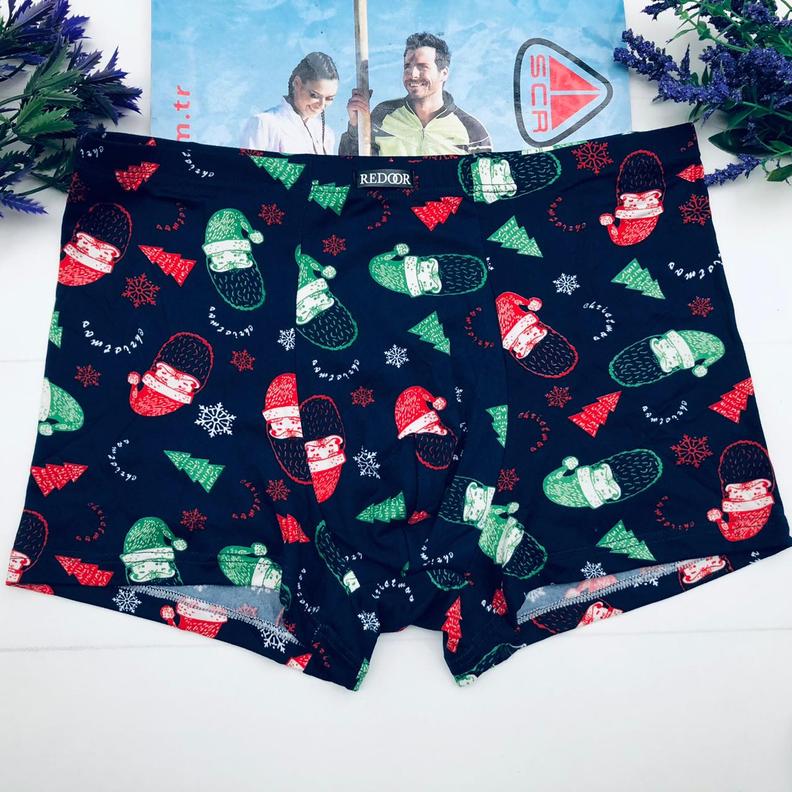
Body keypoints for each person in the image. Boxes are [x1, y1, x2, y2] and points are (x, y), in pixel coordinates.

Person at [339, 31, 491, 156]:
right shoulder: (383, 115)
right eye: (407, 66)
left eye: (422, 66)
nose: (413, 74)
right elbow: (354, 170)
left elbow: (485, 181)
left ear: (444, 73)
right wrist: (355, 126)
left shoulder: (472, 131)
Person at [240, 52, 339, 154]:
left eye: (329, 98)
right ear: (297, 83)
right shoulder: (263, 124)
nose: (321, 105)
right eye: (314, 95)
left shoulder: (327, 134)